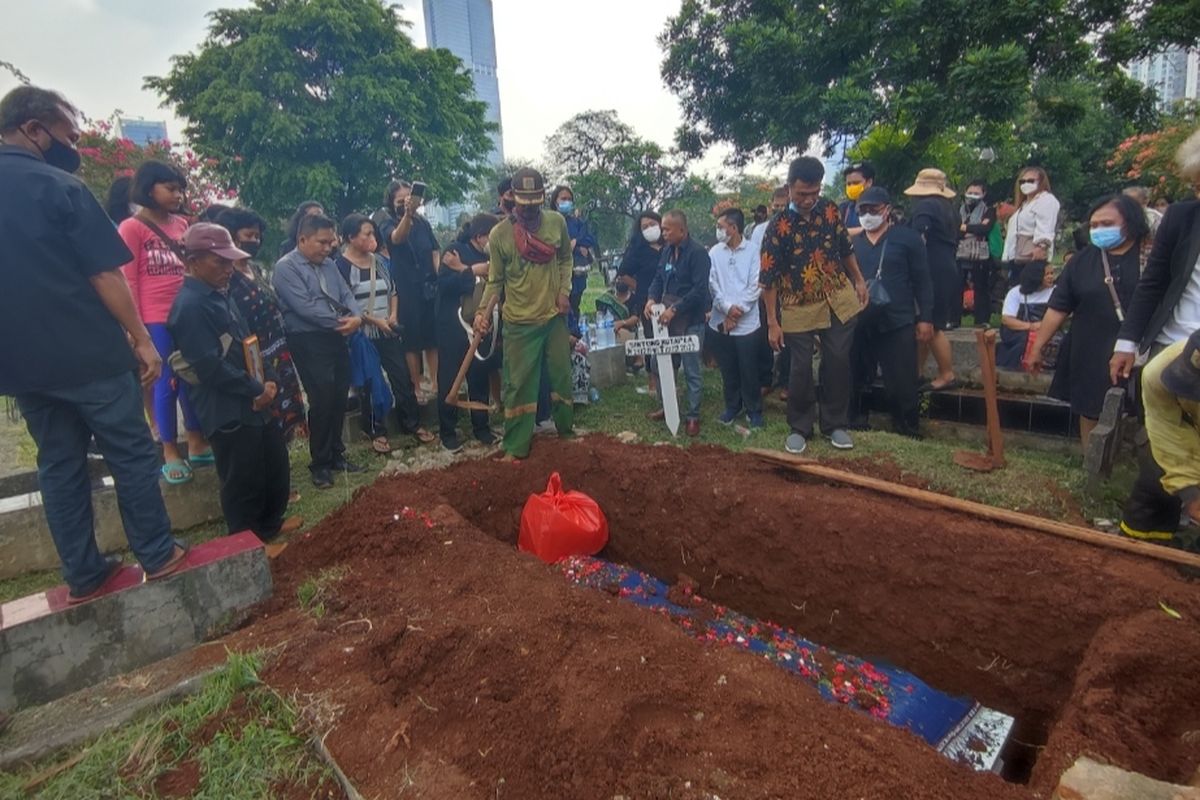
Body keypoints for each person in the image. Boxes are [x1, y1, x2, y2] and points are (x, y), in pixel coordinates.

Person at [0, 85, 187, 600]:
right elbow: (107, 276)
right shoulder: (57, 186)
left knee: (58, 464)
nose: (75, 146)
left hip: (21, 363)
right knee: (129, 452)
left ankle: (83, 573)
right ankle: (158, 552)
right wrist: (142, 340)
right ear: (34, 130)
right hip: (87, 352)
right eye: (69, 134)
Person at [169, 224, 298, 543]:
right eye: (220, 262)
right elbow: (209, 366)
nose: (229, 269)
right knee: (243, 479)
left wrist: (266, 380)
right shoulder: (190, 306)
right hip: (228, 407)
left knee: (273, 464)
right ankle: (247, 542)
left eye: (230, 262)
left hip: (256, 398)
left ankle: (270, 525)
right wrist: (255, 391)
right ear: (193, 261)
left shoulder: (221, 294)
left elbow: (247, 340)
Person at [1109, 127, 1200, 542]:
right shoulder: (1184, 217)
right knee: (1160, 449)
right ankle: (1151, 537)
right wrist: (1127, 342)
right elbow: (1154, 282)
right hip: (1172, 345)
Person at [762, 157, 868, 454]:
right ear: (789, 188)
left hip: (837, 296)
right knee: (800, 368)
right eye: (801, 194)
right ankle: (800, 427)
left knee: (837, 360)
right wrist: (772, 321)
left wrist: (858, 280)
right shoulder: (777, 227)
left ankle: (836, 425)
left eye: (814, 193)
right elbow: (768, 279)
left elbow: (845, 248)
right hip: (797, 303)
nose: (809, 200)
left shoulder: (831, 210)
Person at [1028, 194, 1150, 450]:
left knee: (1148, 410)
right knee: (1090, 409)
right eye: (1093, 226)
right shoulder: (1082, 262)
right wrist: (1037, 347)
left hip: (1146, 348)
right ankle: (1092, 462)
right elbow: (1058, 308)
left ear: (1129, 222)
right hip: (1090, 347)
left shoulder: (1152, 258)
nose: (1098, 230)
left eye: (1107, 224)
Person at [118, 160, 211, 484]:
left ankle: (197, 442)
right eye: (170, 188)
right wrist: (136, 329)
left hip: (185, 314)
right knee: (166, 382)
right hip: (155, 318)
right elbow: (127, 280)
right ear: (148, 188)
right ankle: (170, 450)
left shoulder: (183, 225)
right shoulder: (132, 228)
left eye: (180, 188)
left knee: (192, 376)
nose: (178, 194)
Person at [476, 167, 574, 459]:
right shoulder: (500, 235)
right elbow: (495, 280)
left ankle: (566, 433)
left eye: (535, 204)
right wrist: (483, 311)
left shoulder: (557, 223)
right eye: (523, 204)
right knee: (517, 385)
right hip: (518, 323)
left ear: (543, 198)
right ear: (512, 201)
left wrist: (564, 292)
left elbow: (565, 259)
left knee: (561, 376)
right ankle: (516, 447)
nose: (529, 211)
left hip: (553, 318)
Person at [273, 214, 363, 489]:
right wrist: (345, 321)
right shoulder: (286, 268)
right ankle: (320, 463)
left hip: (336, 336)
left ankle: (337, 453)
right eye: (322, 242)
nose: (328, 248)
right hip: (308, 339)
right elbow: (305, 308)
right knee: (322, 397)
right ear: (303, 239)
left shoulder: (329, 266)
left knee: (339, 395)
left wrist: (356, 316)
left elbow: (346, 295)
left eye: (330, 242)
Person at [336, 214, 434, 452]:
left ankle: (411, 423)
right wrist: (373, 321)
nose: (372, 237)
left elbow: (393, 291)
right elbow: (345, 304)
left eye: (373, 232)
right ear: (351, 237)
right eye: (366, 233)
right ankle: (375, 430)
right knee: (370, 382)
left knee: (401, 376)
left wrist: (392, 317)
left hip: (387, 330)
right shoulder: (340, 266)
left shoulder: (379, 261)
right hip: (362, 335)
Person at [214, 207, 308, 442]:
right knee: (266, 415)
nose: (254, 241)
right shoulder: (226, 278)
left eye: (257, 236)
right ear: (231, 235)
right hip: (253, 355)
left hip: (278, 349)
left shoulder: (254, 269)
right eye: (248, 235)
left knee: (287, 412)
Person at [849, 187, 934, 437]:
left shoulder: (907, 239)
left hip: (897, 318)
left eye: (872, 210)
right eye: (862, 210)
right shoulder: (853, 244)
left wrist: (925, 318)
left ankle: (906, 426)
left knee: (901, 378)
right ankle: (855, 420)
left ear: (886, 210)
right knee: (855, 373)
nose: (867, 215)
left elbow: (923, 281)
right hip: (860, 319)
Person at [644, 209, 712, 437]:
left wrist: (675, 309)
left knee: (691, 369)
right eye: (662, 228)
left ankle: (692, 416)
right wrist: (651, 298)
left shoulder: (698, 253)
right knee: (657, 363)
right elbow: (657, 279)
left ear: (682, 230)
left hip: (691, 319)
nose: (662, 233)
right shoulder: (665, 252)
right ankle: (667, 406)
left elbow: (700, 291)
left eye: (667, 229)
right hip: (667, 320)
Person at [437, 214, 500, 452]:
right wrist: (472, 270)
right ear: (479, 236)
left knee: (479, 376)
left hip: (481, 326)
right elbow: (444, 285)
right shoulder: (454, 251)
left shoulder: (492, 256)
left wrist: (466, 269)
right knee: (450, 378)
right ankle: (447, 432)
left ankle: (481, 427)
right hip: (452, 325)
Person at [1139, 329, 1200, 545]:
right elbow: (1165, 431)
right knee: (1154, 472)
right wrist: (1191, 493)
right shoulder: (1157, 373)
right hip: (1187, 426)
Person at [381, 179, 440, 402]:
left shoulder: (423, 223)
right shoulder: (387, 223)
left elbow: (434, 249)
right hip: (405, 287)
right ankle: (416, 386)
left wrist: (438, 273)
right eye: (400, 200)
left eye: (409, 197)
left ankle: (436, 382)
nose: (406, 202)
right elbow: (397, 238)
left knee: (432, 337)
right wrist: (406, 214)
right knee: (412, 339)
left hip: (429, 285)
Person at [905, 168, 960, 391]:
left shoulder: (925, 207)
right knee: (923, 323)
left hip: (931, 268)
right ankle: (916, 371)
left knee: (932, 325)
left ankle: (947, 374)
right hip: (948, 265)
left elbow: (918, 236)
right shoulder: (950, 209)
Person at [708, 208, 763, 428]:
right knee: (728, 367)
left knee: (748, 368)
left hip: (747, 323)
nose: (719, 230)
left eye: (721, 226)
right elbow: (712, 283)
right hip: (721, 320)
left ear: (734, 227)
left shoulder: (753, 251)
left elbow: (756, 284)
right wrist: (727, 308)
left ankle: (754, 409)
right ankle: (733, 406)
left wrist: (738, 310)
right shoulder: (714, 252)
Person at [616, 211, 664, 381]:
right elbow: (623, 273)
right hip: (647, 302)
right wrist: (642, 288)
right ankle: (653, 380)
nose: (650, 228)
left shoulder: (670, 246)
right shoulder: (638, 250)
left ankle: (670, 379)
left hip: (670, 300)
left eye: (653, 224)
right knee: (652, 339)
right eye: (645, 227)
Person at [1002, 166, 1060, 287]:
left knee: (1031, 291)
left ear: (1041, 182)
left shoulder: (1046, 200)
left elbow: (1046, 225)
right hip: (1017, 256)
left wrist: (1042, 246)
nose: (1026, 184)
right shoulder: (1023, 205)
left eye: (1031, 181)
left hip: (1033, 255)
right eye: (1022, 181)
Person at [996, 262, 1056, 370]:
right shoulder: (1015, 292)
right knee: (1025, 340)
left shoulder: (1056, 292)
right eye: (1047, 274)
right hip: (1019, 330)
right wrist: (1031, 326)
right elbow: (1007, 320)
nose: (1051, 277)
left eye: (1052, 273)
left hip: (1049, 329)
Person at [549, 185, 598, 317]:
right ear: (555, 201)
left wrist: (575, 242)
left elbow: (589, 238)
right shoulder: (549, 222)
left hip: (577, 274)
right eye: (563, 198)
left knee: (574, 307)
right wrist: (573, 246)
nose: (567, 202)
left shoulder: (576, 222)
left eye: (569, 199)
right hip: (556, 275)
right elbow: (555, 244)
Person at [957, 179, 998, 327]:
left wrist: (964, 227)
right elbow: (954, 229)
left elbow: (984, 229)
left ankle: (982, 321)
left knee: (981, 287)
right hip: (960, 253)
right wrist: (972, 228)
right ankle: (954, 319)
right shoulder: (960, 209)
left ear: (983, 194)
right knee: (957, 286)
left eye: (976, 193)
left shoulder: (989, 209)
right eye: (970, 192)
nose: (972, 195)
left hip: (980, 254)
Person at [839, 161, 875, 237]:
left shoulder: (878, 207)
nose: (851, 187)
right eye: (848, 184)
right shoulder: (844, 208)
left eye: (856, 183)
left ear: (869, 182)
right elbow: (833, 233)